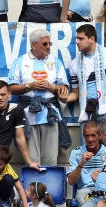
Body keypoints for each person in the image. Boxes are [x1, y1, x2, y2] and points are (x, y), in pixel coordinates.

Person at [8, 29, 71, 166]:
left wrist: (51, 87)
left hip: (50, 115)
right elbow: (11, 88)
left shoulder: (56, 62)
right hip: (27, 115)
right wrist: (29, 86)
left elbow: (64, 90)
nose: (48, 47)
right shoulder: (20, 62)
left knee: (50, 160)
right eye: (44, 44)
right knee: (32, 160)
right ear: (33, 45)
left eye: (49, 44)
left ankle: (49, 187)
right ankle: (33, 187)